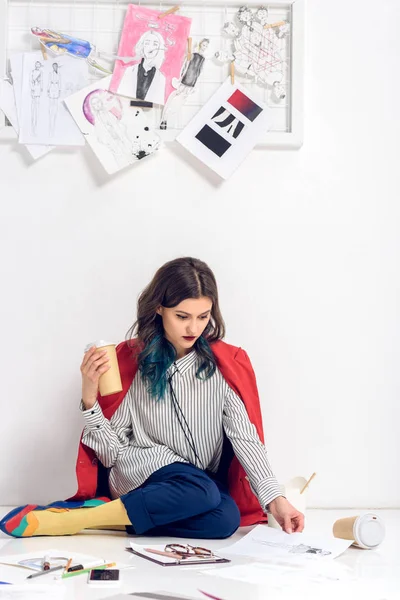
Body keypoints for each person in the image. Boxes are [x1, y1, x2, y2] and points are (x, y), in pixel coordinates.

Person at [0, 257, 304, 539]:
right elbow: (112, 453)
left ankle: (97, 517)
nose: (193, 328)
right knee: (203, 491)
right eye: (182, 316)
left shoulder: (223, 369)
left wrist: (275, 499)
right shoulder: (133, 363)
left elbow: (246, 439)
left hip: (194, 486)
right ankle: (69, 521)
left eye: (203, 316)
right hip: (141, 471)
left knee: (226, 519)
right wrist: (90, 401)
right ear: (159, 308)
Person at [160, 39, 210, 130]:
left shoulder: (204, 58)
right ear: (200, 44)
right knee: (174, 98)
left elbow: (200, 71)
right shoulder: (193, 54)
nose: (204, 47)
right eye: (203, 45)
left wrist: (195, 84)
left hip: (191, 83)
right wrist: (181, 77)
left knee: (179, 102)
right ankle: (164, 119)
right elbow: (185, 65)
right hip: (185, 80)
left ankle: (166, 119)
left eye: (206, 46)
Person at [117, 30, 166, 105]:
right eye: (147, 43)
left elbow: (157, 106)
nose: (151, 48)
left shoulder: (161, 78)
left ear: (160, 48)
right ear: (142, 46)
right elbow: (120, 98)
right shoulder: (130, 71)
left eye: (155, 44)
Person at [47, 62, 61, 137]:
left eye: (56, 66)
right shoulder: (50, 74)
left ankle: (54, 113)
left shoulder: (59, 74)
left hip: (56, 88)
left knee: (55, 103)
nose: (55, 67)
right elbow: (49, 82)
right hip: (52, 87)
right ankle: (50, 113)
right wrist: (48, 90)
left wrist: (59, 90)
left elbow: (60, 83)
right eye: (54, 66)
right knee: (51, 103)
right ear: (52, 67)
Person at [30, 61, 43, 135]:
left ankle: (36, 125)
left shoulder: (41, 72)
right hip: (34, 88)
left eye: (39, 64)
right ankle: (32, 126)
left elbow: (42, 82)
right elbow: (31, 81)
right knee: (33, 107)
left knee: (37, 107)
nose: (37, 65)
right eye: (36, 64)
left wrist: (41, 88)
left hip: (38, 88)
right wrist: (32, 89)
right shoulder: (32, 72)